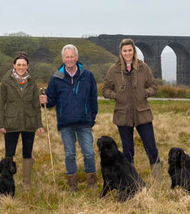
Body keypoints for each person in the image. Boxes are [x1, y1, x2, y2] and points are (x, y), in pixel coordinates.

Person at [102, 38, 163, 181]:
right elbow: (105, 90)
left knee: (151, 148)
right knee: (128, 151)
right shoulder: (114, 70)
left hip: (142, 113)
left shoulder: (143, 68)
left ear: (134, 51)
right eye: (125, 51)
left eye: (130, 50)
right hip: (123, 115)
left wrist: (145, 92)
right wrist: (116, 95)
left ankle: (158, 180)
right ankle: (130, 181)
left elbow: (154, 86)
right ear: (121, 52)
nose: (127, 53)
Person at [40, 44, 98, 192]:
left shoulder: (87, 75)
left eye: (72, 56)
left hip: (84, 122)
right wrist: (45, 101)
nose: (70, 59)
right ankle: (73, 185)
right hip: (65, 124)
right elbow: (51, 100)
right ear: (63, 59)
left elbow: (93, 99)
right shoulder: (56, 78)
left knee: (89, 153)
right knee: (70, 154)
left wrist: (91, 118)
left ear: (77, 57)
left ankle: (91, 183)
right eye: (67, 57)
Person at [0, 51, 44, 188]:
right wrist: (1, 123)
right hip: (11, 123)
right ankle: (6, 183)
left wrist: (39, 124)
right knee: (9, 155)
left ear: (27, 66)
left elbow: (36, 105)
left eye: (24, 65)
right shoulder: (6, 81)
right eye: (19, 64)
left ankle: (26, 183)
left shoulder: (32, 82)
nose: (21, 67)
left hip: (29, 123)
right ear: (14, 65)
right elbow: (0, 103)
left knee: (27, 154)